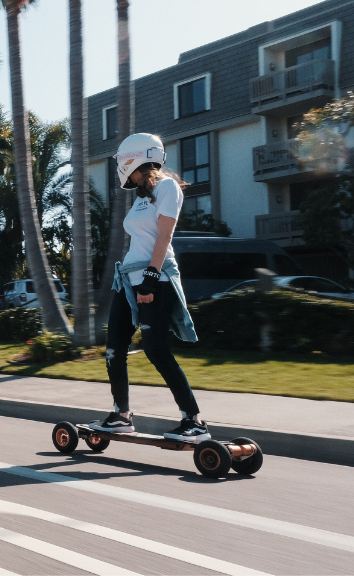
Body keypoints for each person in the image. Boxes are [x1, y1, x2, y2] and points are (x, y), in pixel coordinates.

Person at [89, 133, 208, 443]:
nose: (120, 166)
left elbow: (163, 237)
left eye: (121, 161)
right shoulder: (142, 196)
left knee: (156, 349)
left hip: (155, 281)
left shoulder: (167, 188)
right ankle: (121, 416)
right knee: (114, 347)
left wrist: (151, 277)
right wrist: (135, 280)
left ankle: (193, 420)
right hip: (128, 281)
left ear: (134, 158)